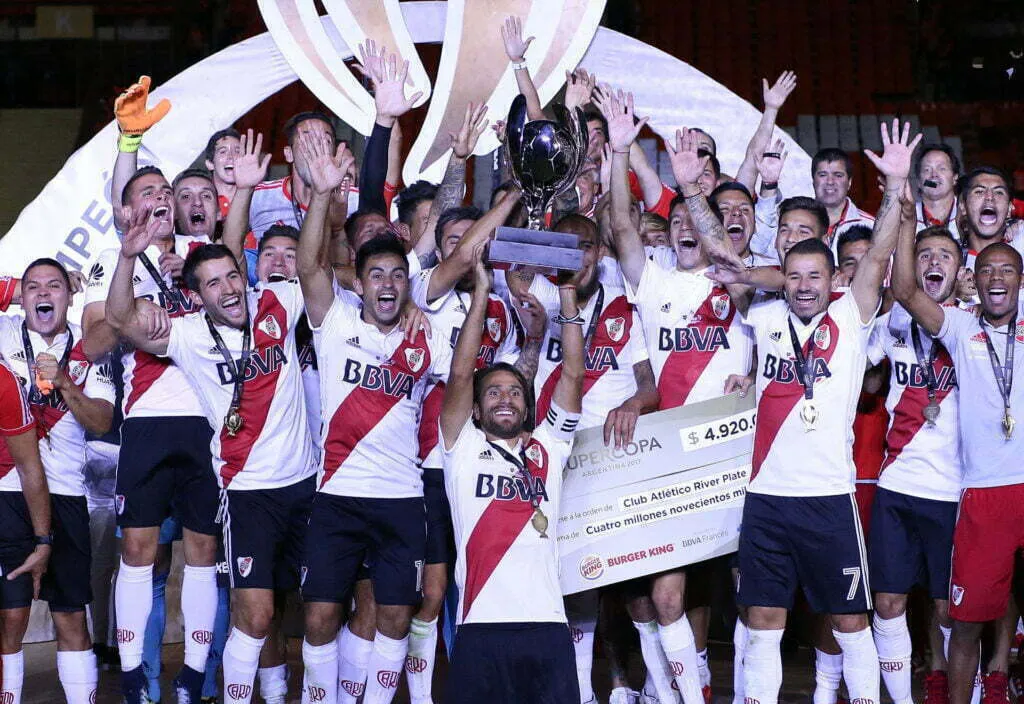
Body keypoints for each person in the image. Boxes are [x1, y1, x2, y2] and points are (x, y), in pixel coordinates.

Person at [716, 119, 920, 704]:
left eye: (816, 277)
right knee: (763, 625)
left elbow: (879, 252)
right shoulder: (763, 317)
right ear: (783, 280)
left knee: (851, 624)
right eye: (795, 277)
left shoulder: (851, 318)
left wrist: (895, 186)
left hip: (828, 499)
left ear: (835, 280)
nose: (805, 286)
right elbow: (722, 251)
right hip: (766, 498)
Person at [106, 207, 319, 704]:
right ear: (198, 296)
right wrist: (127, 257)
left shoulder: (280, 301)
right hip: (246, 493)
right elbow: (120, 318)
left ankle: (290, 693)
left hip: (306, 486)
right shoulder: (188, 334)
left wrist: (324, 195)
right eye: (213, 283)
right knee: (257, 615)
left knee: (316, 610)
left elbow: (315, 266)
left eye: (232, 276)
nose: (227, 289)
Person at [294, 101, 452, 703]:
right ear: (358, 283)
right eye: (377, 275)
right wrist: (321, 197)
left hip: (402, 500)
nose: (387, 283)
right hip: (336, 497)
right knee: (318, 618)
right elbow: (309, 265)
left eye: (397, 275)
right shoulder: (334, 323)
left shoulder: (424, 336)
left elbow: (464, 375)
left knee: (394, 617)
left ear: (407, 285)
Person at [604, 89, 754, 704]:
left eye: (696, 221)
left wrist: (691, 190)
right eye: (677, 223)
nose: (686, 228)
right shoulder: (654, 279)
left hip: (733, 459)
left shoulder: (737, 282)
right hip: (669, 460)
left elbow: (770, 340)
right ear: (665, 235)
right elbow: (620, 225)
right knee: (664, 595)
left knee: (747, 593)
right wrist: (620, 151)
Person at [507, 213, 659, 704]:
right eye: (568, 247)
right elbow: (513, 270)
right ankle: (580, 693)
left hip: (614, 460)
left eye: (587, 246)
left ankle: (650, 688)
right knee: (572, 582)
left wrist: (633, 404)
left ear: (601, 251)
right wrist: (550, 252)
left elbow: (649, 386)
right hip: (557, 457)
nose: (580, 256)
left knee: (634, 589)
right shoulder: (545, 296)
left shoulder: (622, 306)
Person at [83, 165, 220, 703]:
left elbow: (236, 318)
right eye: (148, 192)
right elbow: (93, 343)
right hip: (145, 421)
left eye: (166, 190)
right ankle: (136, 678)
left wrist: (194, 282)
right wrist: (132, 306)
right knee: (140, 551)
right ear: (127, 210)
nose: (162, 197)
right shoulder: (112, 257)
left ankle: (193, 677)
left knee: (205, 549)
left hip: (207, 420)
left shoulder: (198, 254)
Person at [438, 231, 585, 704]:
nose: (506, 398)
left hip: (546, 624)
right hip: (481, 626)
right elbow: (460, 373)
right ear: (476, 409)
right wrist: (482, 290)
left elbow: (573, 374)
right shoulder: (461, 446)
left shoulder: (550, 446)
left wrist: (567, 294)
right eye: (494, 392)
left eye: (516, 392)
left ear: (528, 404)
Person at [891, 196, 1024, 704]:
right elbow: (905, 291)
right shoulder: (961, 324)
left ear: (1020, 280)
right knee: (964, 622)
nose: (996, 277)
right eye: (986, 269)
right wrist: (907, 223)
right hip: (984, 495)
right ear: (975, 278)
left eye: (1007, 269)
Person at [0, 259, 111, 704]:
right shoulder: (5, 333)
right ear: (21, 298)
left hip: (65, 492)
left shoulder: (88, 347)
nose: (43, 294)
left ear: (69, 296)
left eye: (54, 286)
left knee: (71, 617)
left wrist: (65, 383)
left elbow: (101, 421)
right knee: (10, 619)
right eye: (33, 287)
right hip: (8, 491)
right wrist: (11, 289)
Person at [867, 219, 964, 704]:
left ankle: (959, 691)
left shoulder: (974, 326)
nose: (933, 262)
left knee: (949, 610)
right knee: (888, 603)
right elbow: (859, 373)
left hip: (954, 491)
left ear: (961, 270)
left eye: (945, 256)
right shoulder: (892, 324)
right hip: (897, 485)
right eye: (924, 255)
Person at [812, 147, 875, 253]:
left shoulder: (871, 225)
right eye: (823, 175)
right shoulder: (797, 222)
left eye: (838, 175)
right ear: (813, 181)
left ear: (849, 182)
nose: (830, 181)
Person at [915, 143, 962, 241]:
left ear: (955, 178)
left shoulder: (968, 213)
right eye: (927, 170)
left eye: (942, 168)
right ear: (918, 182)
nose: (934, 175)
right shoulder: (906, 216)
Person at [204, 127, 242, 218]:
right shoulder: (200, 202)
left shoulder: (259, 198)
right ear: (210, 164)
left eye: (238, 151)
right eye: (223, 152)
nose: (231, 157)